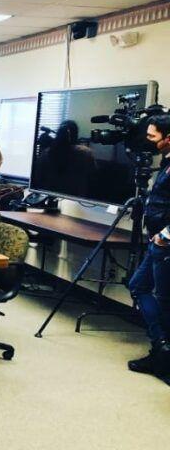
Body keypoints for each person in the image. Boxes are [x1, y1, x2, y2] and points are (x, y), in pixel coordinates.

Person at [127, 115, 170, 379]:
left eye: (153, 136)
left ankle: (162, 354)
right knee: (138, 286)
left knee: (164, 301)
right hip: (158, 242)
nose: (148, 141)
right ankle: (161, 346)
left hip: (165, 244)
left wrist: (165, 235)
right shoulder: (166, 161)